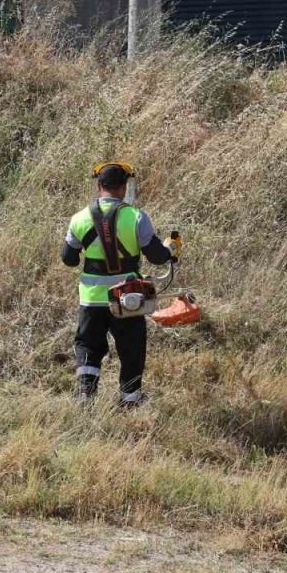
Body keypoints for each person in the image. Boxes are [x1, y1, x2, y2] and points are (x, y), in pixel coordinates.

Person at [60, 162, 181, 407]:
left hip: (91, 298)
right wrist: (170, 250)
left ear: (98, 186)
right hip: (128, 298)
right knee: (131, 348)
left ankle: (85, 394)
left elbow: (69, 259)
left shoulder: (79, 218)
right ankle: (130, 401)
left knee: (88, 346)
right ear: (124, 188)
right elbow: (157, 257)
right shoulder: (136, 217)